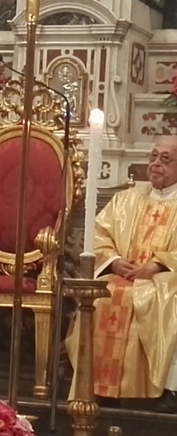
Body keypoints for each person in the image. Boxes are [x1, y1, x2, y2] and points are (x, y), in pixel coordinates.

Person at [67, 135, 177, 410]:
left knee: (153, 300)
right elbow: (98, 235)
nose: (156, 164)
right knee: (102, 295)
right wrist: (115, 261)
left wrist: (158, 265)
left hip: (164, 279)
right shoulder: (125, 199)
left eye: (166, 159)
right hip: (122, 276)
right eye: (153, 156)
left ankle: (160, 389)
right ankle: (94, 385)